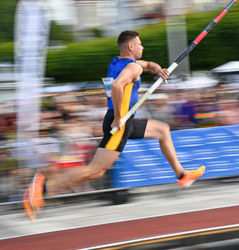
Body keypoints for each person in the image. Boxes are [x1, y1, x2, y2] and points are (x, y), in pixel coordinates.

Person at [23, 30, 206, 221]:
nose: (143, 46)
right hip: (120, 122)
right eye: (140, 43)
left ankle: (182, 175)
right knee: (95, 171)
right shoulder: (133, 68)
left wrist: (159, 69)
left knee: (163, 130)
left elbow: (148, 65)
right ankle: (42, 188)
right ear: (131, 47)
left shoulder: (117, 62)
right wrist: (119, 118)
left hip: (122, 119)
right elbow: (118, 86)